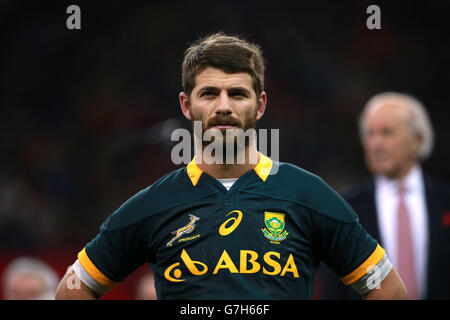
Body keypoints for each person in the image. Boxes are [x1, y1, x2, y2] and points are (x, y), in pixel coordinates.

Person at [56, 33, 407, 300]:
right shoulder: (153, 204)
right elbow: (74, 288)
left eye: (237, 94)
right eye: (209, 94)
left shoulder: (308, 195)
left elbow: (388, 290)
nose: (223, 106)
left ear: (260, 105)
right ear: (186, 105)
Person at [318, 92, 450, 299]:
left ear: (417, 139)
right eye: (369, 134)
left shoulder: (444, 201)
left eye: (386, 133)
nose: (375, 143)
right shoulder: (344, 208)